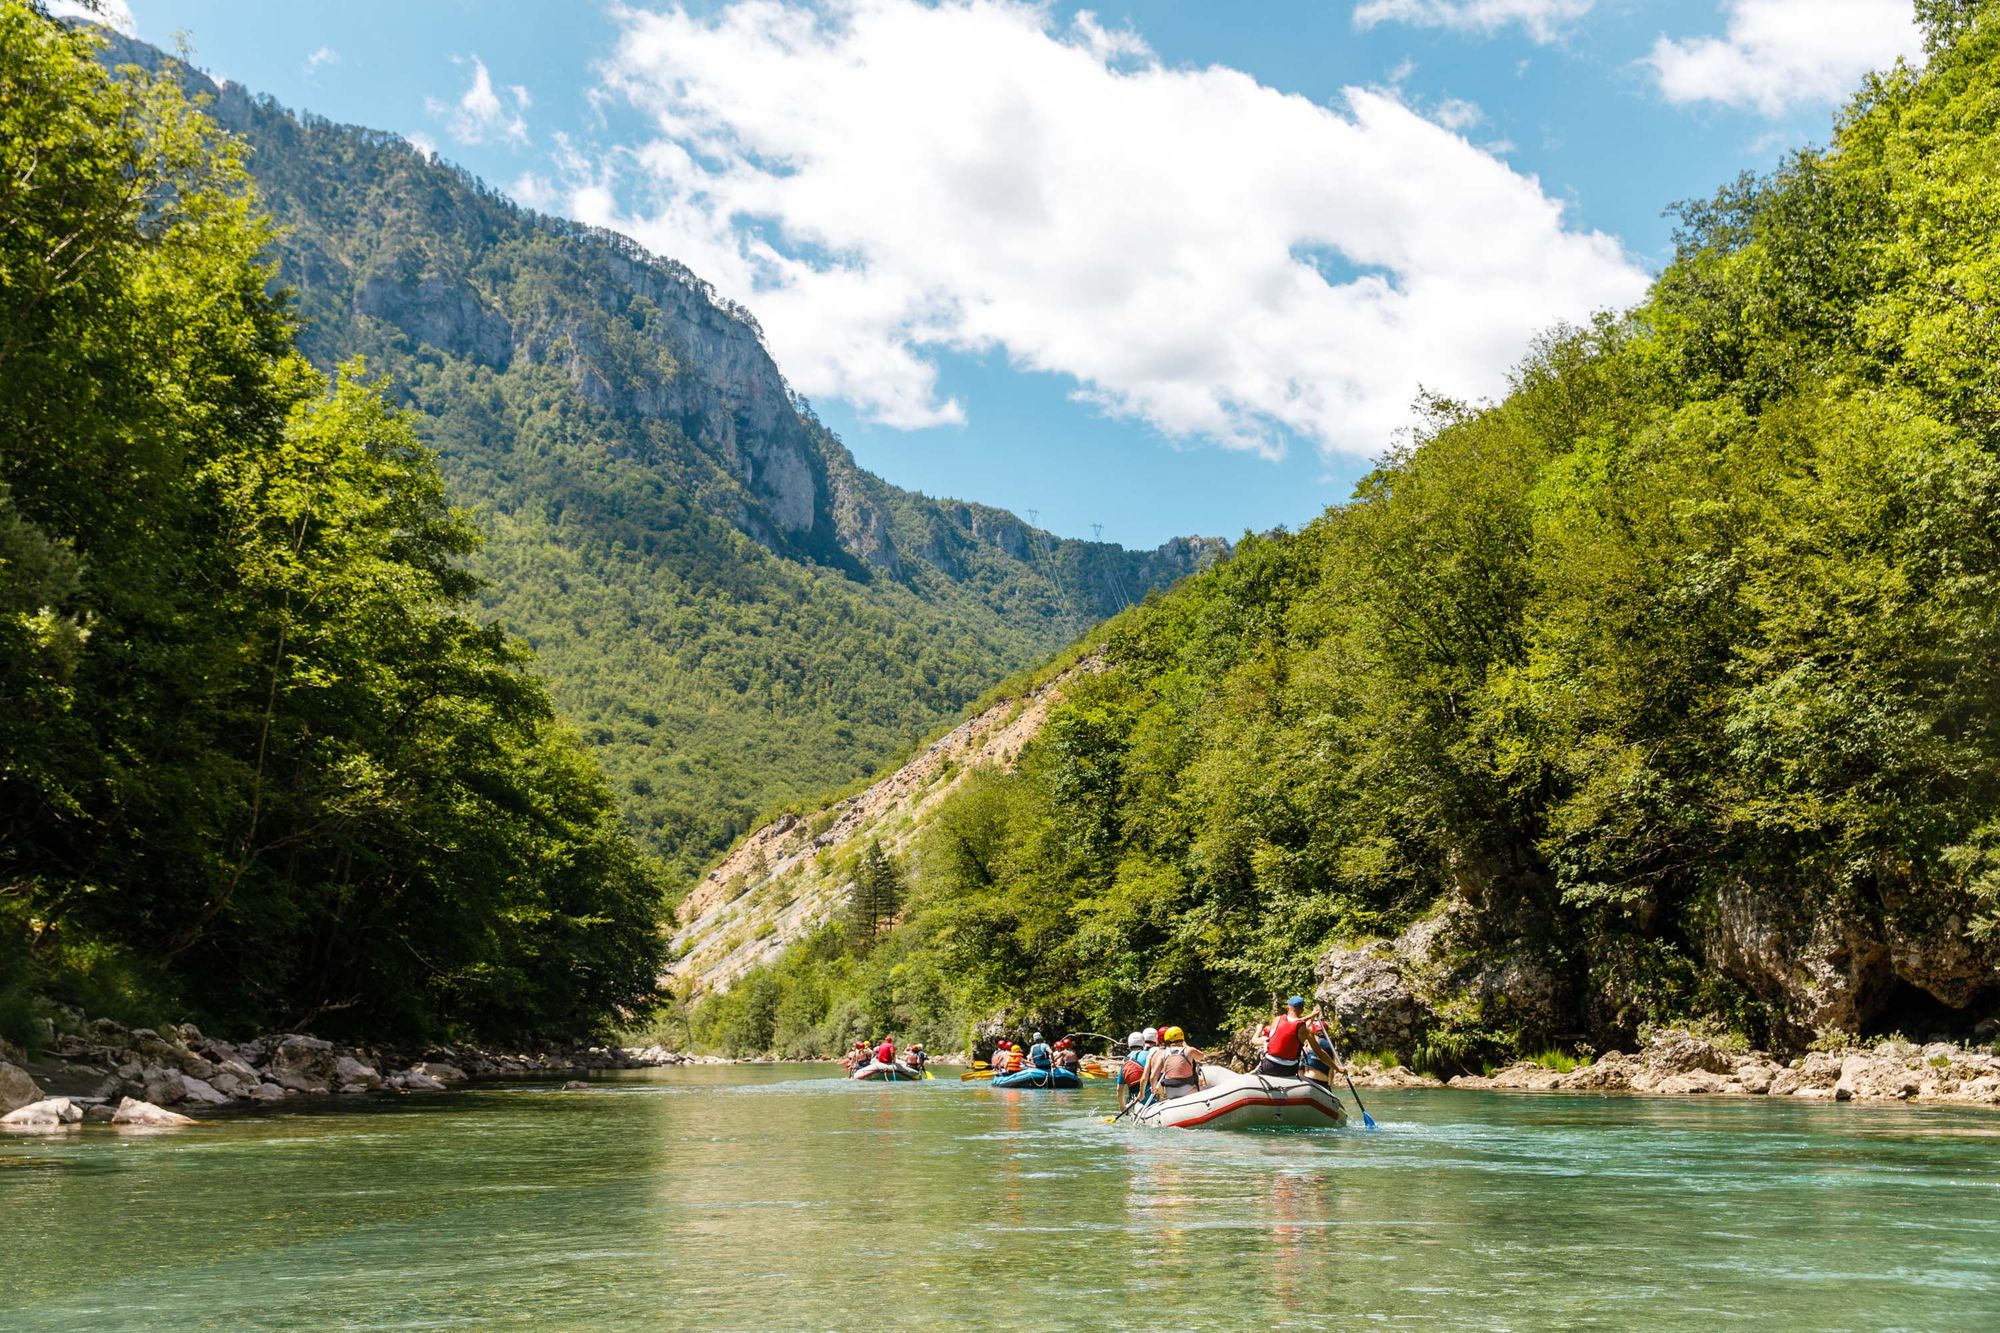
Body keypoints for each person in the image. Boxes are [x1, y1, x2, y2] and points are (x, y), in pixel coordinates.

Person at [1145, 1026, 1204, 1101]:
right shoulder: (1189, 1050)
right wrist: (1186, 1045)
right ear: (1182, 1037)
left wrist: (1154, 1088)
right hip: (1187, 1090)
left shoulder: (1164, 1053)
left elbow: (1153, 1077)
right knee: (1204, 1086)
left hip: (1170, 1093)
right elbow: (1202, 1056)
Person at [1258, 996, 1308, 1078]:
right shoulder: (1302, 1027)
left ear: (1288, 1008)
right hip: (1288, 1068)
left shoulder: (1277, 1019)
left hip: (1269, 1063)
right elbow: (1296, 1023)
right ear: (1302, 1010)